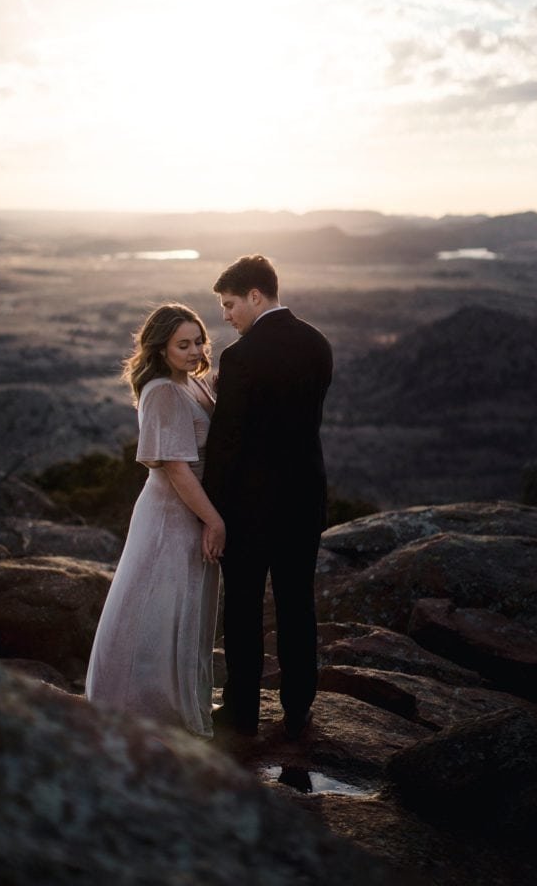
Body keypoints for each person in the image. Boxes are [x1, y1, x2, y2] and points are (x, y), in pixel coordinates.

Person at [202, 255, 333, 740]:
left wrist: (211, 510)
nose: (226, 315)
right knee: (298, 603)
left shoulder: (240, 357)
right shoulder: (318, 344)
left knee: (243, 608)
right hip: (304, 500)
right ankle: (298, 707)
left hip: (249, 508)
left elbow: (227, 442)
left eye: (230, 303)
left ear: (256, 295)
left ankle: (242, 713)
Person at [85, 303, 224, 739]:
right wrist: (215, 521)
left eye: (199, 341)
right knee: (157, 607)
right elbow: (176, 468)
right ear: (160, 349)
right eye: (183, 344)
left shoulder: (194, 384)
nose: (194, 350)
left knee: (184, 608)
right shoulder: (162, 391)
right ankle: (140, 705)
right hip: (170, 515)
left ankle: (180, 696)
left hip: (192, 511)